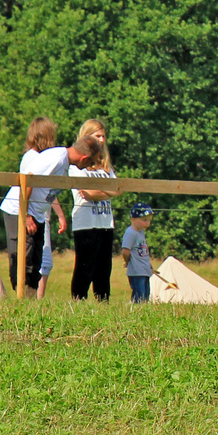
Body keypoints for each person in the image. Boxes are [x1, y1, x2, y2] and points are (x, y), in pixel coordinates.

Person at [0, 117, 72, 298]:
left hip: (36, 213)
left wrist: (60, 214)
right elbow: (25, 187)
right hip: (21, 211)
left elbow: (47, 191)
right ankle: (23, 297)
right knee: (24, 255)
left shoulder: (46, 158)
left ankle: (31, 297)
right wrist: (27, 216)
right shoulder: (31, 158)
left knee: (36, 259)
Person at [67, 122, 120, 301]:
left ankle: (103, 304)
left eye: (104, 136)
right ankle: (78, 302)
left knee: (104, 269)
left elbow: (118, 190)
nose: (102, 140)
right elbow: (87, 193)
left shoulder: (107, 168)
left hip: (105, 222)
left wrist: (101, 192)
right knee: (84, 267)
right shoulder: (76, 166)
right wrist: (107, 192)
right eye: (98, 136)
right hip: (85, 223)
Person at [120, 203, 153, 303]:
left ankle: (143, 313)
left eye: (149, 220)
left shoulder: (141, 232)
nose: (148, 223)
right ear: (133, 220)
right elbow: (125, 251)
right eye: (144, 220)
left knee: (146, 296)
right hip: (136, 271)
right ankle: (135, 312)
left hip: (144, 269)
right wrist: (127, 261)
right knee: (139, 296)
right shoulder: (130, 233)